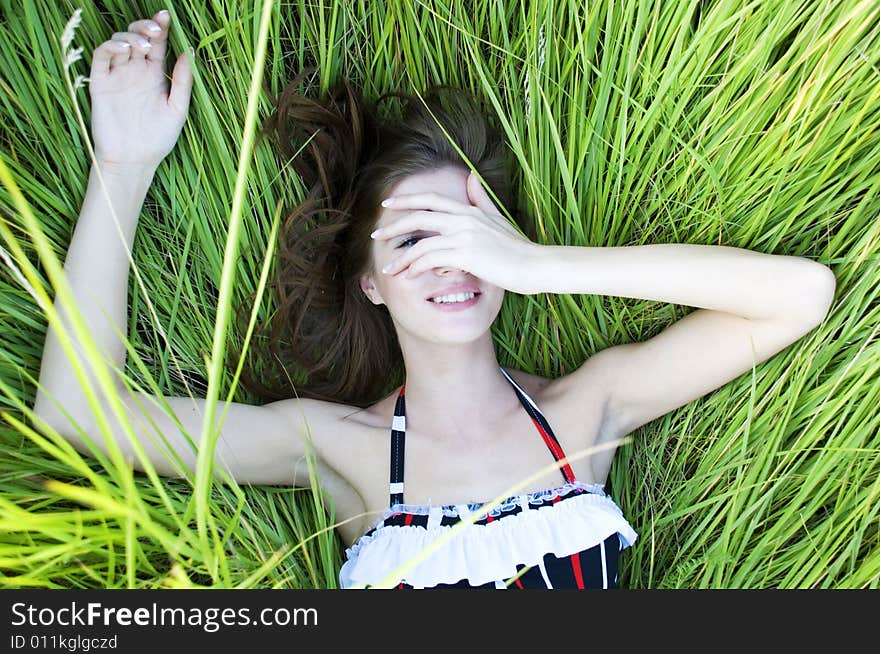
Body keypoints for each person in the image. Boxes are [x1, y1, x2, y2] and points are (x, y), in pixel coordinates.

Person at [32, 10, 836, 589]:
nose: (453, 261)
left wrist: (539, 265)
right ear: (370, 281)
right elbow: (78, 415)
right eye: (415, 239)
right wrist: (125, 161)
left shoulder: (588, 407)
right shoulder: (335, 445)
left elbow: (801, 295)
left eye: (469, 229)